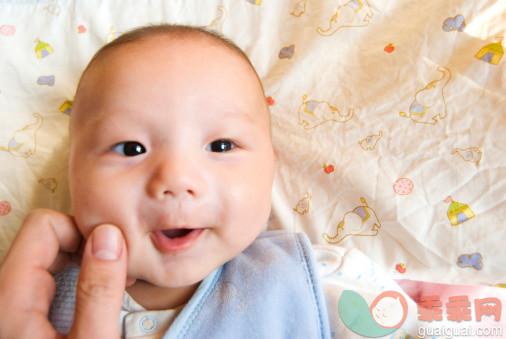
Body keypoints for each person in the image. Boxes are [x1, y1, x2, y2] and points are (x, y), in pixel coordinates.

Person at [0, 24, 331, 338]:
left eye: (221, 145)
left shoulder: (314, 282)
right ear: (70, 172)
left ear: (271, 163)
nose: (176, 179)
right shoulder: (26, 299)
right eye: (131, 149)